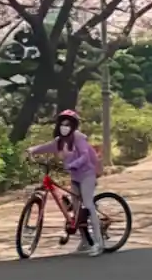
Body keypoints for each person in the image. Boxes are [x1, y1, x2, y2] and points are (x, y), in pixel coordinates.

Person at [28, 109, 104, 256]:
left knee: (88, 205)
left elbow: (85, 156)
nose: (64, 127)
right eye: (62, 124)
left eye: (68, 125)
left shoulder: (79, 138)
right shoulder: (60, 141)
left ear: (73, 126)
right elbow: (47, 147)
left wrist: (73, 164)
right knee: (76, 211)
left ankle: (99, 243)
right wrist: (31, 150)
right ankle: (85, 241)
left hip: (87, 175)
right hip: (75, 177)